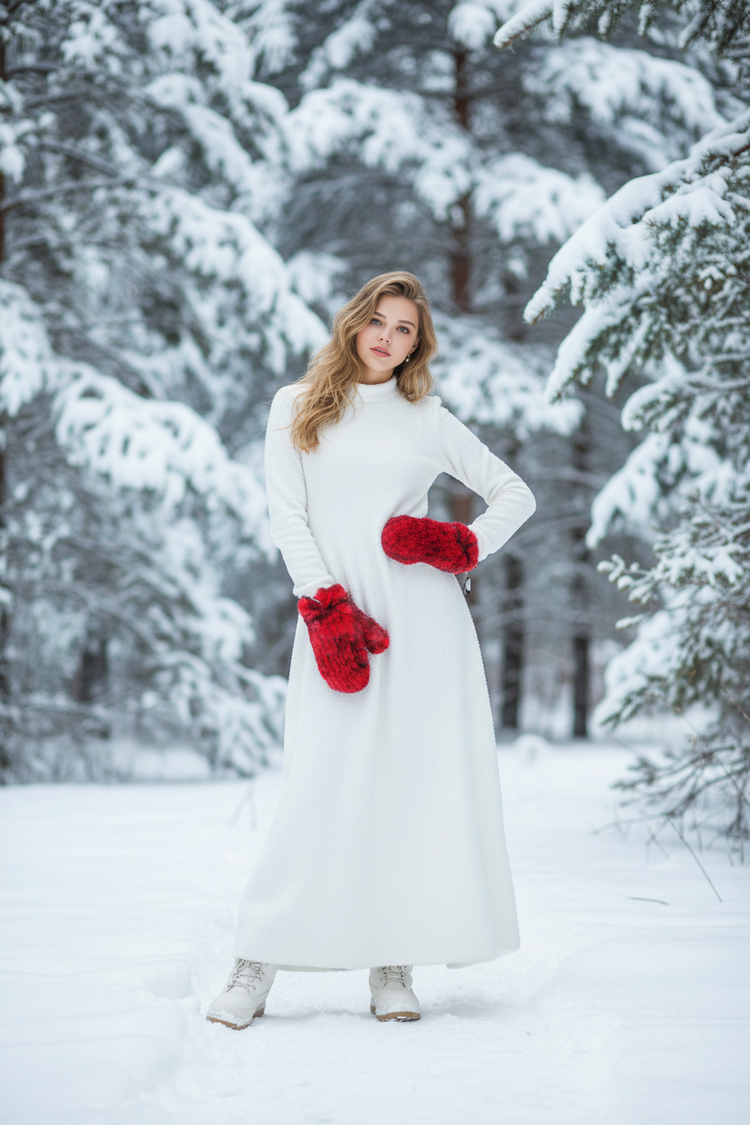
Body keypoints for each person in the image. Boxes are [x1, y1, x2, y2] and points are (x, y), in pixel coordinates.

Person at [206, 271, 536, 1028]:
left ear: (418, 344)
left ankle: (394, 962)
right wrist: (324, 606)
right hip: (336, 618)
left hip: (423, 625)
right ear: (355, 323)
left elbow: (514, 493)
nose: (388, 338)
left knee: (409, 785)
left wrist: (456, 544)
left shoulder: (427, 417)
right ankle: (256, 962)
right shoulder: (296, 405)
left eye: (405, 329)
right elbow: (288, 518)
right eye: (378, 321)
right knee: (317, 783)